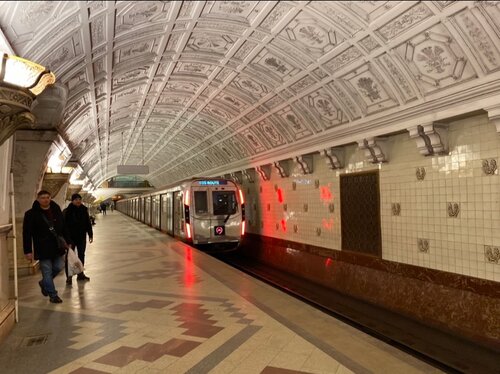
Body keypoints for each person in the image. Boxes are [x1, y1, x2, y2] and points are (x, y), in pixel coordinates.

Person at [23, 190, 72, 304]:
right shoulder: (31, 214)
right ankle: (53, 295)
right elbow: (26, 233)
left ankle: (44, 283)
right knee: (47, 270)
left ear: (50, 198)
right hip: (42, 247)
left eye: (47, 197)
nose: (45, 199)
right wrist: (28, 250)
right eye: (42, 197)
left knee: (59, 266)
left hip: (57, 246)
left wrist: (68, 241)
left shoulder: (56, 210)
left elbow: (64, 227)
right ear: (38, 199)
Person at [63, 194, 94, 284]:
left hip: (81, 237)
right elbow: (63, 226)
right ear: (72, 201)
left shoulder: (84, 210)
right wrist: (66, 239)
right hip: (70, 238)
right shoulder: (66, 211)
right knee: (69, 257)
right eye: (76, 199)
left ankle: (80, 274)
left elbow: (88, 223)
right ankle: (69, 277)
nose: (78, 201)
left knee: (81, 255)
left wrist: (90, 234)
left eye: (79, 199)